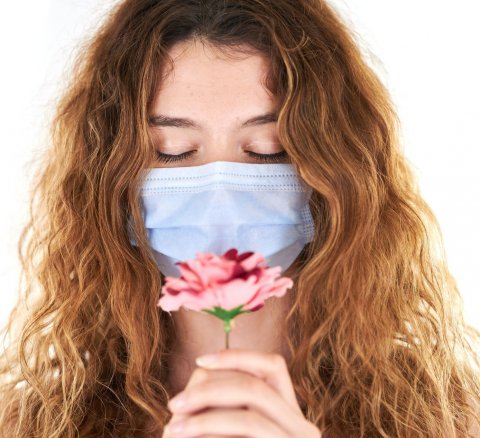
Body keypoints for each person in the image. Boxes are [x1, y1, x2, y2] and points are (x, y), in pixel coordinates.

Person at [0, 0, 479, 436]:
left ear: (337, 173)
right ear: (109, 181)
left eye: (267, 151)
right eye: (172, 153)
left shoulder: (446, 416)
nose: (220, 197)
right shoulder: (35, 422)